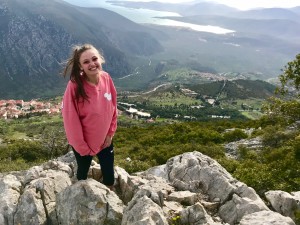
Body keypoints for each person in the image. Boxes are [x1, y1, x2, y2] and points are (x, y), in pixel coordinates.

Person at [61, 44, 117, 190]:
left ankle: (109, 199)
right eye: (86, 62)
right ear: (80, 66)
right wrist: (82, 148)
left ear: (101, 59)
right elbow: (70, 120)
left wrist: (110, 133)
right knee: (82, 173)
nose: (92, 64)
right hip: (83, 146)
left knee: (109, 173)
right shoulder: (74, 86)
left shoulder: (106, 78)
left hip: (105, 141)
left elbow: (113, 106)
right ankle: (80, 194)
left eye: (94, 59)